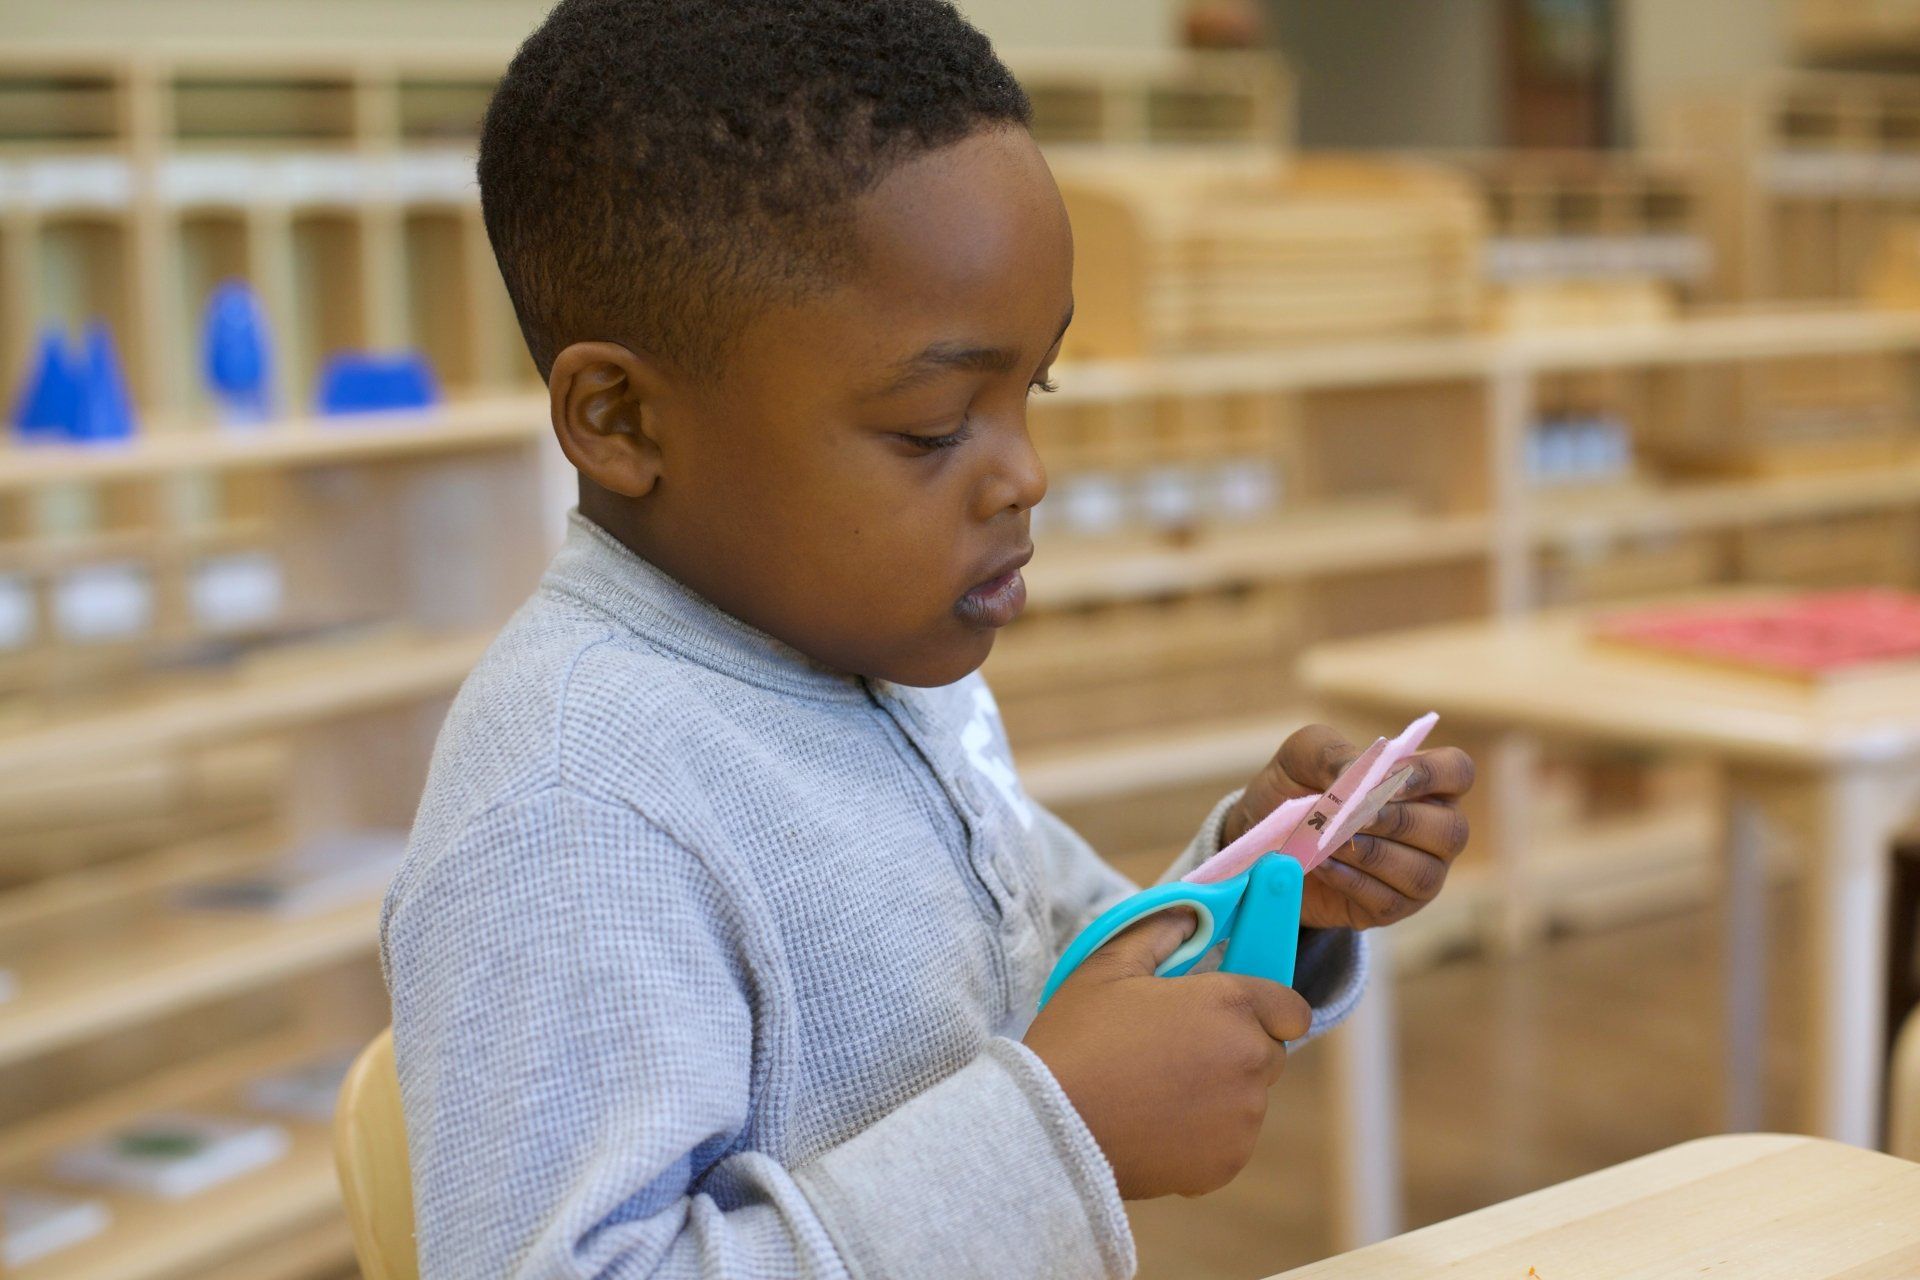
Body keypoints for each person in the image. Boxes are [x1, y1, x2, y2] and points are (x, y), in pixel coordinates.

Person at [381, 2, 1475, 1275]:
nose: (1025, 473)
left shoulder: (877, 652)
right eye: (933, 425)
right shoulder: (574, 809)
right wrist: (1060, 1132)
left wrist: (1264, 881)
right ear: (622, 417)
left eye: (1033, 389)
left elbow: (1055, 980)